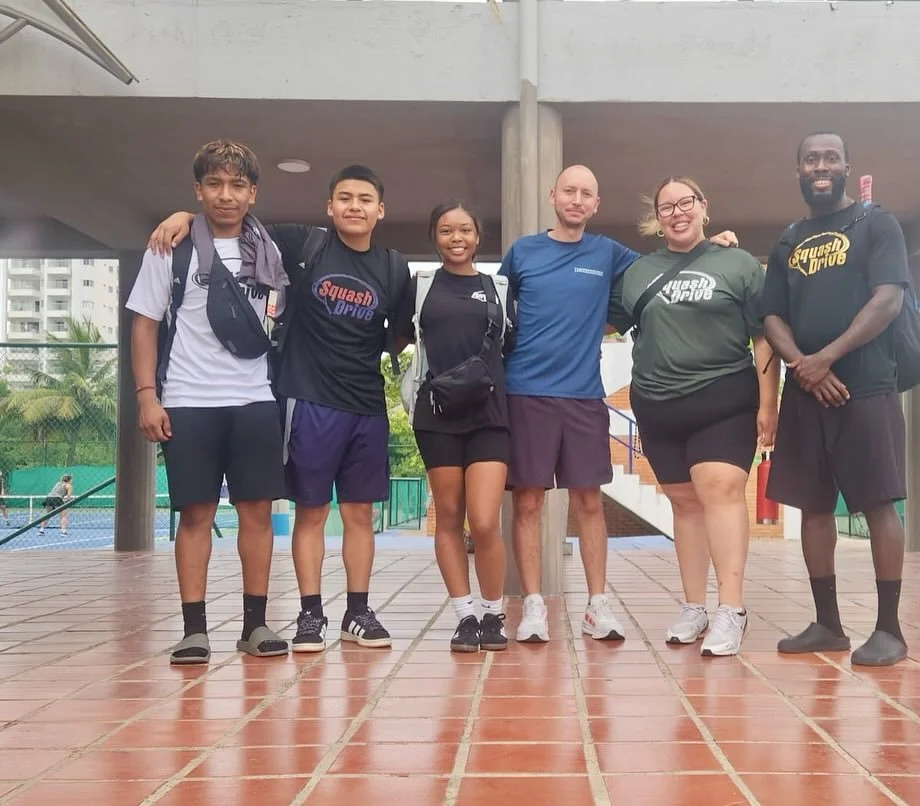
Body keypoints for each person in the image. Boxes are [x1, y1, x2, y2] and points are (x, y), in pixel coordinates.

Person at [148, 165, 411, 654]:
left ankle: (358, 611)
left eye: (365, 199)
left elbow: (399, 335)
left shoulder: (395, 268)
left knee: (359, 514)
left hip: (367, 406)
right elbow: (234, 216)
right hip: (306, 399)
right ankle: (310, 614)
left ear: (381, 209)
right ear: (329, 207)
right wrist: (185, 215)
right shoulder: (301, 243)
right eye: (344, 198)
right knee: (310, 512)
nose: (355, 206)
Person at [499, 165, 739, 644]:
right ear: (553, 196)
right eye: (569, 191)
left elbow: (671, 262)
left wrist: (715, 247)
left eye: (587, 193)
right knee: (527, 502)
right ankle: (532, 607)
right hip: (525, 392)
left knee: (589, 503)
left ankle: (596, 605)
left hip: (584, 395)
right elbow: (500, 312)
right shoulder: (523, 252)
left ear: (596, 204)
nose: (577, 199)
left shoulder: (609, 253)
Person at [128, 139, 291, 665]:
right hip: (188, 400)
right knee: (194, 515)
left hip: (254, 399)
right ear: (198, 190)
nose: (226, 195)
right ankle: (194, 629)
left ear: (253, 193)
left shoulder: (270, 251)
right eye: (215, 185)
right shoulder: (169, 249)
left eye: (237, 185)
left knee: (257, 514)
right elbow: (145, 324)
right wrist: (147, 398)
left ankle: (255, 624)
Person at [607, 177, 779, 656]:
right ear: (656, 219)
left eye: (686, 203)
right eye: (667, 207)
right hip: (656, 403)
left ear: (704, 207)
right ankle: (694, 607)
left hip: (724, 397)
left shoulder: (738, 263)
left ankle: (732, 610)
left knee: (720, 490)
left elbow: (763, 337)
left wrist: (770, 403)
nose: (677, 212)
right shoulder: (639, 272)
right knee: (684, 505)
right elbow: (606, 319)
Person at [760, 132, 911, 667]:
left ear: (847, 165)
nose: (820, 166)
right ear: (798, 170)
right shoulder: (789, 239)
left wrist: (828, 356)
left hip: (865, 385)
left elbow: (888, 298)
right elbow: (770, 313)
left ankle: (889, 629)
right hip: (806, 392)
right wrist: (803, 365)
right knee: (813, 506)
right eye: (810, 159)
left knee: (877, 503)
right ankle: (828, 624)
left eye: (829, 158)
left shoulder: (877, 224)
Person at [394, 201, 515, 653]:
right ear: (435, 236)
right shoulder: (420, 286)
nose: (456, 237)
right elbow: (393, 336)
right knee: (448, 517)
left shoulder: (497, 286)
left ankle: (492, 612)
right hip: (437, 414)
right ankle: (465, 615)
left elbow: (513, 346)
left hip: (490, 414)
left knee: (484, 521)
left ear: (478, 236)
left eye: (465, 229)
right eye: (446, 230)